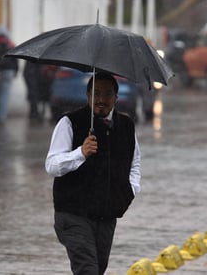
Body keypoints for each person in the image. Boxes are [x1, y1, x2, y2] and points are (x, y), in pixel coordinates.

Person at [45, 72, 141, 275]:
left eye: (107, 94)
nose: (101, 100)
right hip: (73, 214)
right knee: (86, 269)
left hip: (106, 216)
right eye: (96, 93)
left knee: (98, 268)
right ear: (88, 96)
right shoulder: (69, 123)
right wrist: (80, 153)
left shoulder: (126, 126)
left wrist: (130, 190)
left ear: (116, 97)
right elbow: (52, 165)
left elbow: (135, 163)